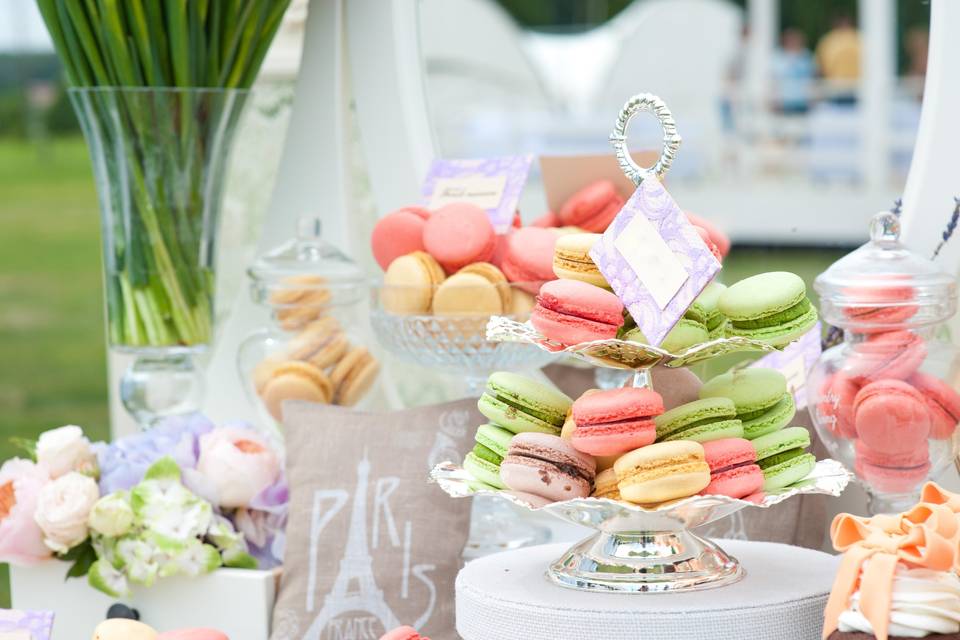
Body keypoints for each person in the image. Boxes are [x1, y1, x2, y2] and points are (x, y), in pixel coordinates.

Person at [815, 12, 861, 104]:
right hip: (836, 86)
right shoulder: (829, 40)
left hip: (855, 86)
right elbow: (821, 66)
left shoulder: (858, 38)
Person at [772, 28, 815, 114]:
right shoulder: (778, 57)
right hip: (784, 102)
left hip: (803, 102)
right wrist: (775, 100)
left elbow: (812, 78)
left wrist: (812, 99)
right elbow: (774, 80)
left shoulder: (807, 57)